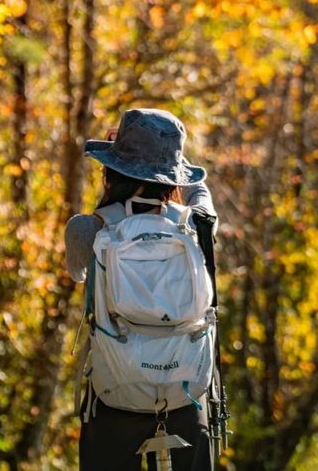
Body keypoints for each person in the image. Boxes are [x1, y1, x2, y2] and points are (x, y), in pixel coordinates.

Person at [65, 108, 217, 471]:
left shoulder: (86, 229)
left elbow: (78, 275)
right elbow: (201, 190)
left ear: (110, 171)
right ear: (174, 176)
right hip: (185, 399)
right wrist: (170, 155)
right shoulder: (198, 226)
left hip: (114, 397)